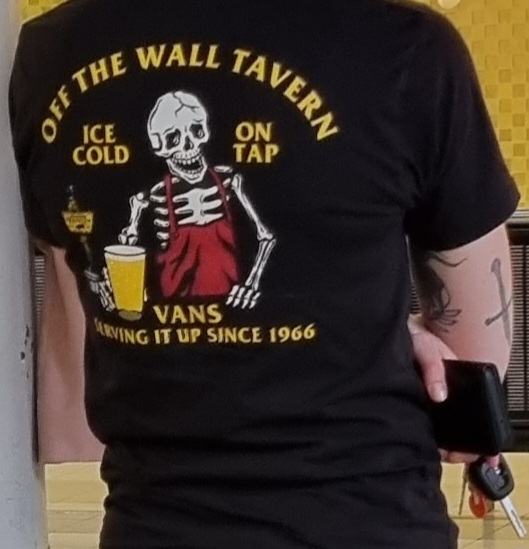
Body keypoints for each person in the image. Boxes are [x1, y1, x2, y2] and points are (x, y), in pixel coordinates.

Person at [9, 0, 519, 547]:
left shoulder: (47, 56)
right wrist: (385, 330)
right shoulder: (405, 46)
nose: (187, 147)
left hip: (153, 526)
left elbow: (75, 364)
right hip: (370, 522)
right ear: (159, 146)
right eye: (174, 140)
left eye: (195, 134)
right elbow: (474, 357)